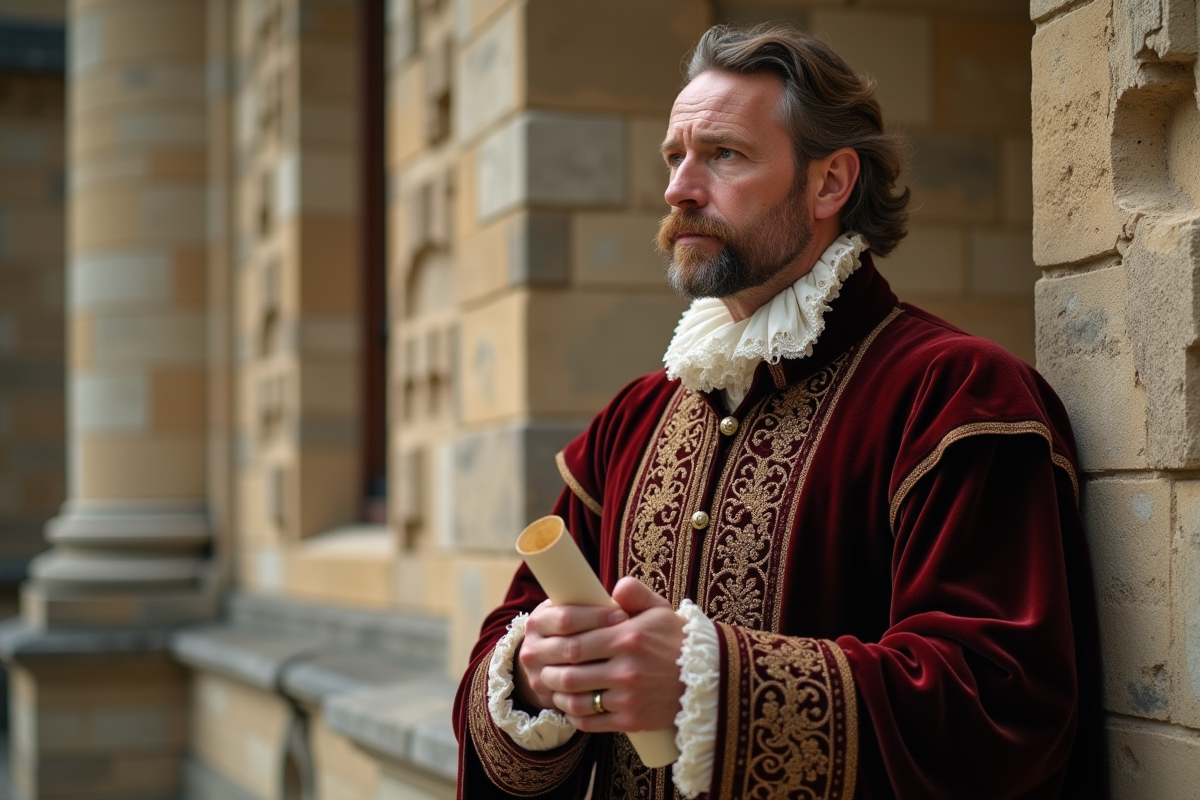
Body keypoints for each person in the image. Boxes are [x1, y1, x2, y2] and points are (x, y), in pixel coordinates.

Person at [452, 22, 1104, 800]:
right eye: (674, 157)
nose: (679, 189)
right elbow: (508, 642)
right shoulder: (632, 420)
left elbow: (1002, 702)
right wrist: (533, 673)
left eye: (723, 154)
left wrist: (710, 689)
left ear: (830, 183)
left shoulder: (957, 395)